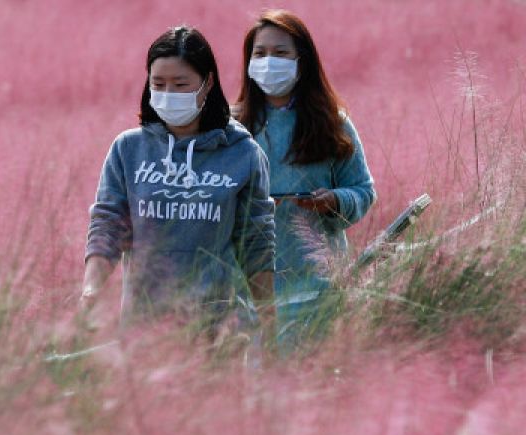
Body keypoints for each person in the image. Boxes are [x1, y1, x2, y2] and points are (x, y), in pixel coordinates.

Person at [81, 25, 275, 347]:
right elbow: (107, 225)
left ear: (208, 83)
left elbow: (256, 243)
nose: (168, 94)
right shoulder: (128, 149)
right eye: (159, 84)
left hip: (217, 331)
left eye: (181, 85)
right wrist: (91, 288)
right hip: (143, 330)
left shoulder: (243, 153)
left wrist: (269, 320)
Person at [235, 9, 376, 347]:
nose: (270, 62)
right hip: (247, 288)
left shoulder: (332, 124)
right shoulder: (233, 126)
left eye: (281, 53)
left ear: (303, 60)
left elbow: (363, 190)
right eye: (260, 53)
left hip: (316, 285)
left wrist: (334, 201)